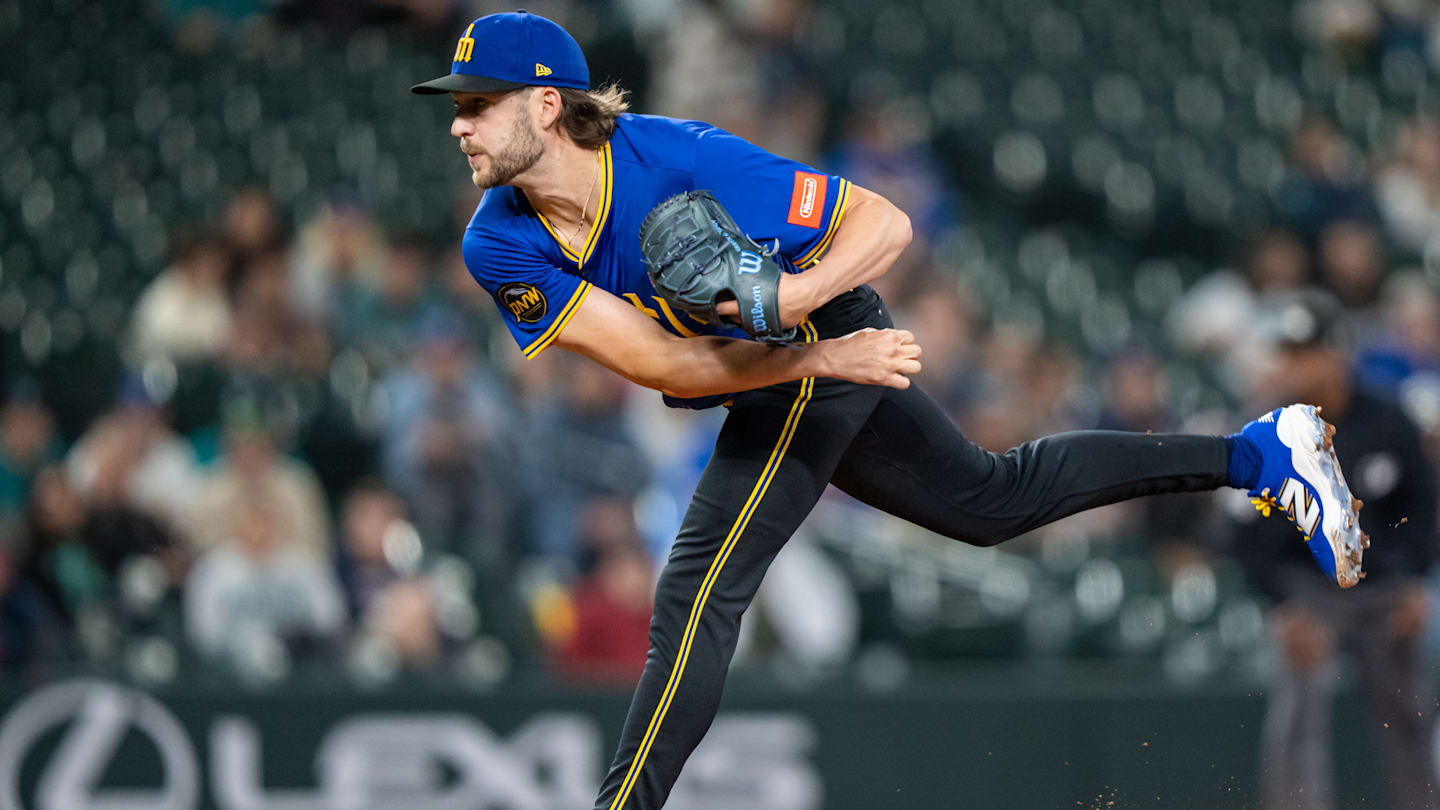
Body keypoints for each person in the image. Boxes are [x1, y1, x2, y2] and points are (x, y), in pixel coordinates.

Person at [411, 12, 1370, 808]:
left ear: (546, 104)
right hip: (788, 357)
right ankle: (1258, 455)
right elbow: (671, 365)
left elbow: (886, 222)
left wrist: (798, 312)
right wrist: (816, 353)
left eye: (476, 105)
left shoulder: (677, 161)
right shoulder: (496, 243)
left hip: (820, 320)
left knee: (697, 589)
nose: (458, 125)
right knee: (995, 503)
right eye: (456, 108)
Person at [1229, 292, 1438, 810]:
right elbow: (1241, 537)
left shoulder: (1388, 419)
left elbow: (1425, 507)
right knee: (1297, 716)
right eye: (1289, 352)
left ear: (1338, 352)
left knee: (1408, 715)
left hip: (1384, 586)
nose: (1296, 364)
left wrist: (1417, 580)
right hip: (1305, 589)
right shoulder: (1264, 431)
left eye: (1308, 350)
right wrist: (1282, 606)